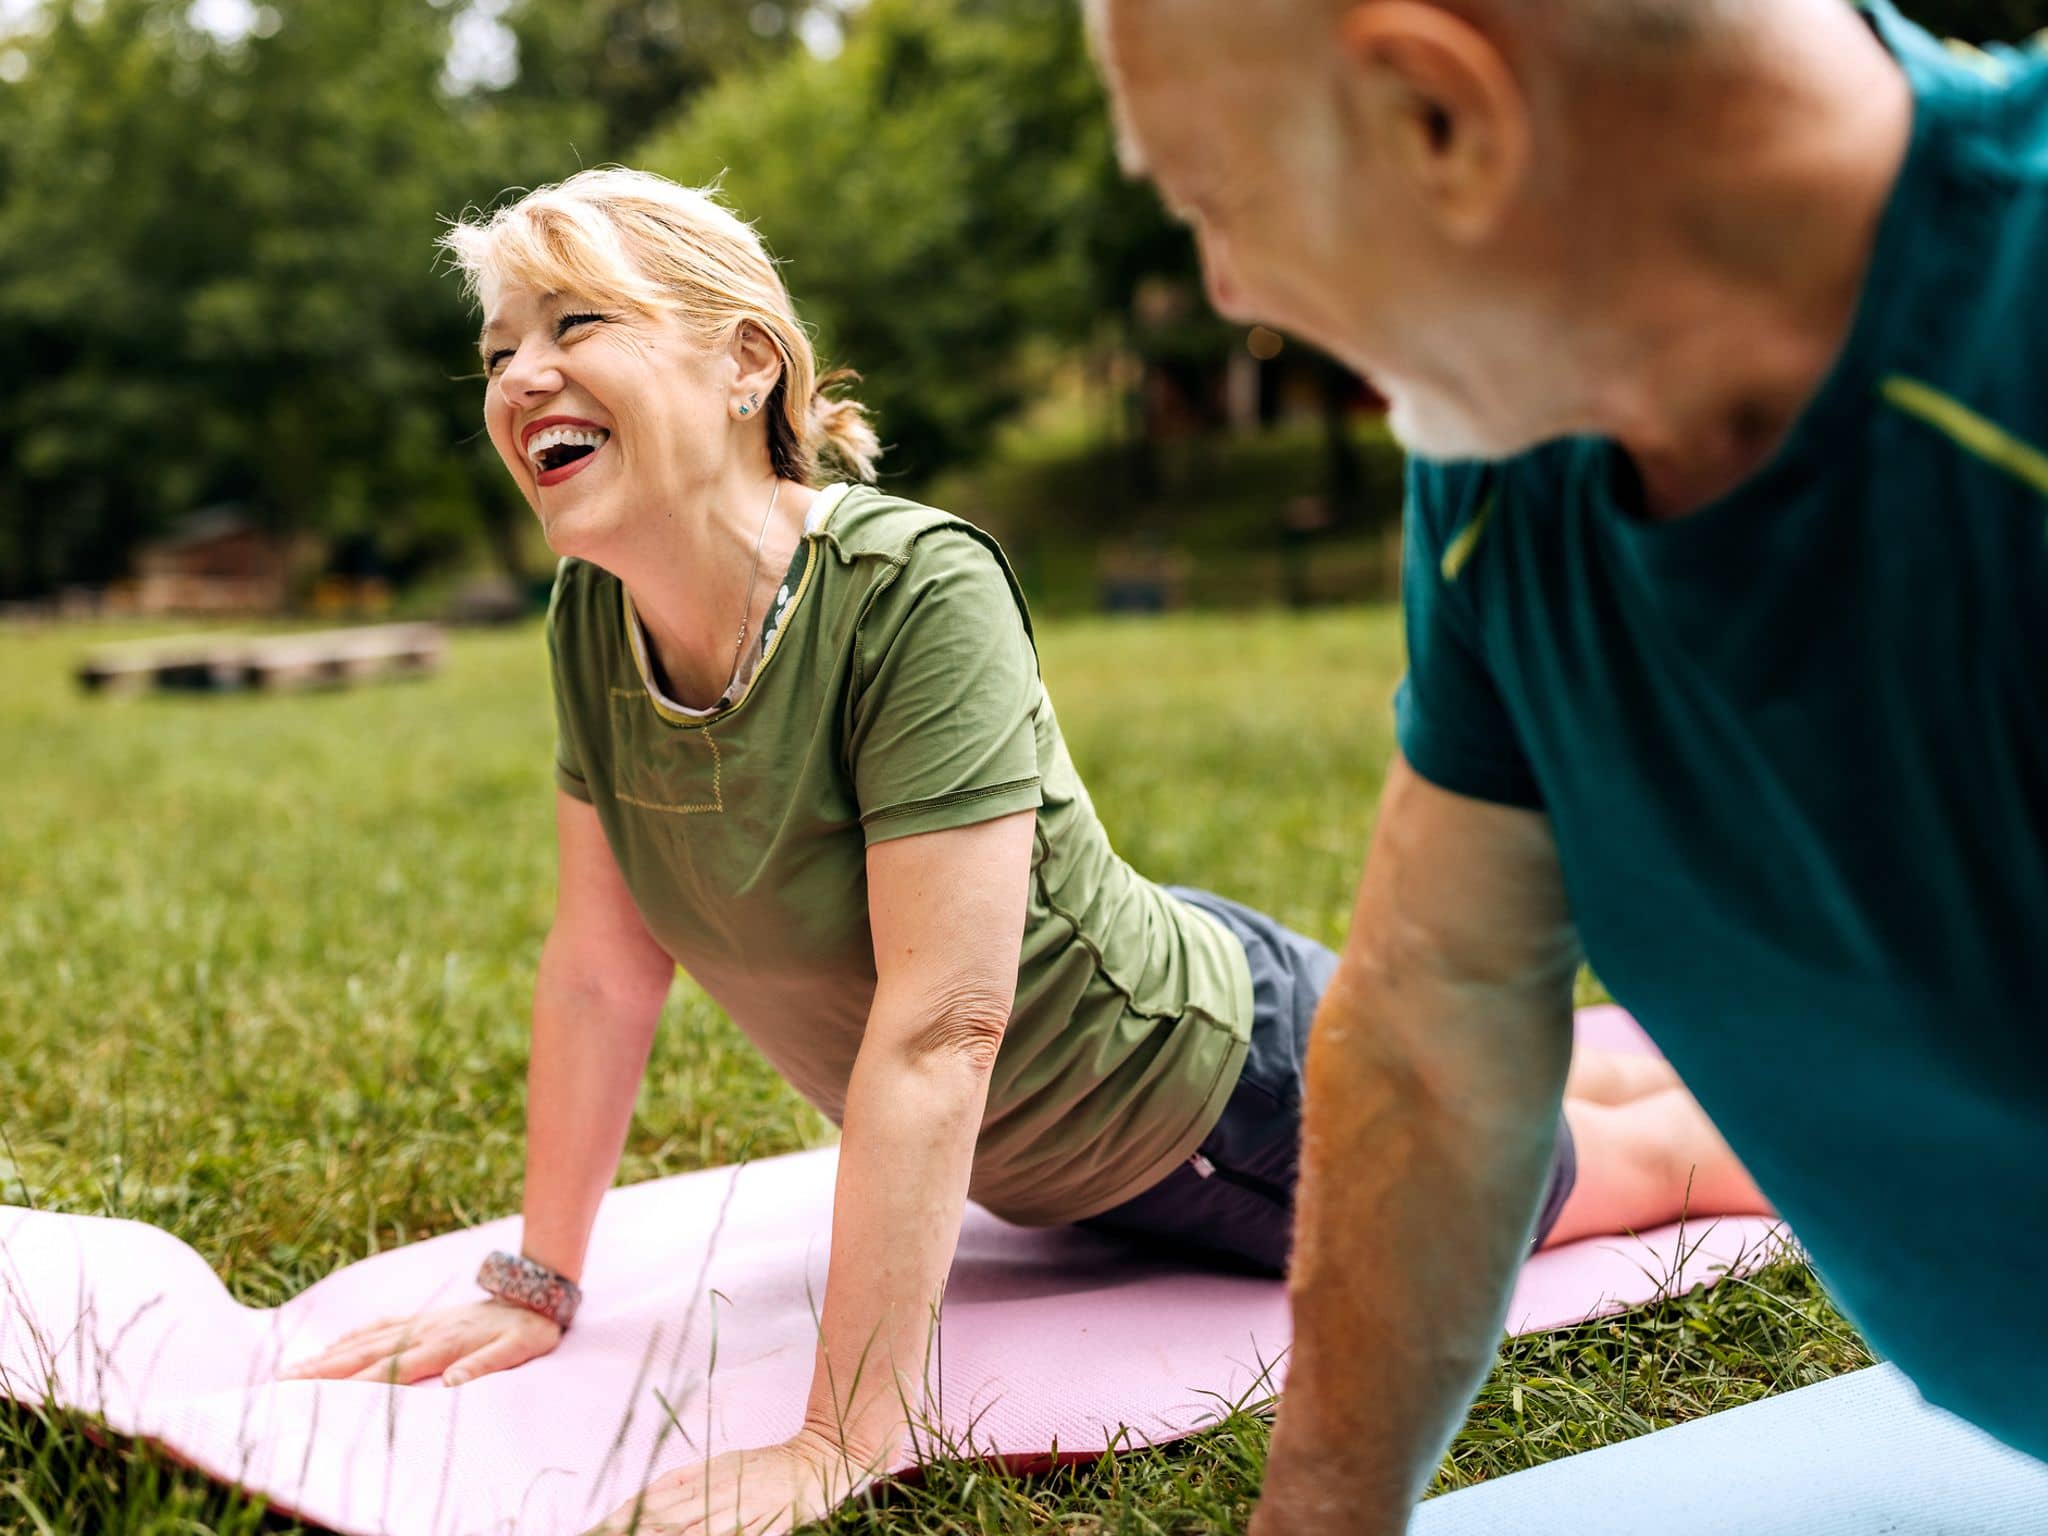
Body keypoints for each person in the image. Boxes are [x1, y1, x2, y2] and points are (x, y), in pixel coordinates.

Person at [280, 168, 1767, 1534]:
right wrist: (536, 1286)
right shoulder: (592, 620)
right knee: (1557, 1069)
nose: (519, 376)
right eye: (498, 349)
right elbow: (604, 971)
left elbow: (944, 1025)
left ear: (747, 364)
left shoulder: (912, 591)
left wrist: (844, 1437)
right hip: (1164, 1029)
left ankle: (1892, 1112)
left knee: (1651, 1162)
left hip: (1224, 1105)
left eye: (576, 322)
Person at [1086, 0, 2048, 1530]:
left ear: (1442, 122)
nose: (1228, 286)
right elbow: (1436, 1044)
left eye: (1219, 200)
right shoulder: (1514, 444)